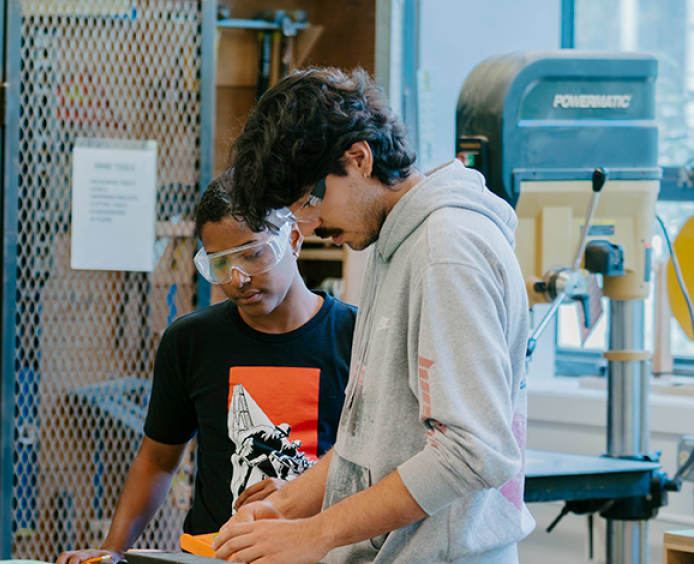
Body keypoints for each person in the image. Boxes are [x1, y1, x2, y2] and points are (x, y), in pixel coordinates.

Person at [212, 67, 534, 564]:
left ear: (359, 159)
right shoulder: (393, 242)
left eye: (310, 202)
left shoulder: (446, 251)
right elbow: (372, 441)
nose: (311, 225)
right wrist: (285, 506)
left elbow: (473, 453)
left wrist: (316, 534)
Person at [57, 174, 355, 564]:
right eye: (220, 263)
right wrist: (112, 551)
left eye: (253, 253)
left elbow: (377, 464)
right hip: (210, 556)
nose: (238, 278)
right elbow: (158, 459)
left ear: (293, 240)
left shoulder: (356, 336)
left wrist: (302, 494)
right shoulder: (191, 340)